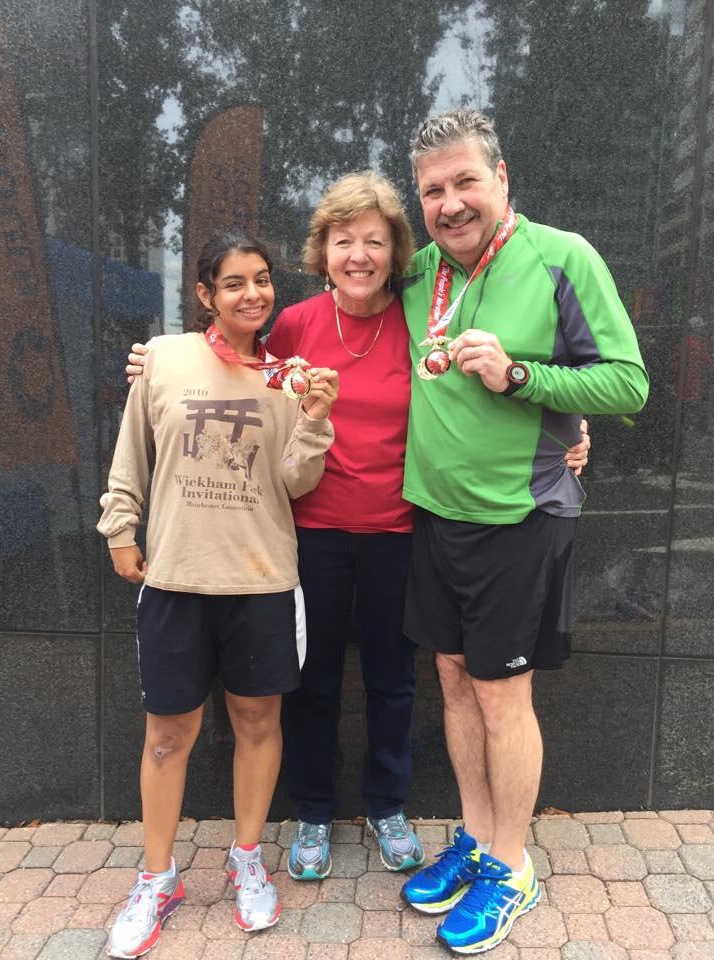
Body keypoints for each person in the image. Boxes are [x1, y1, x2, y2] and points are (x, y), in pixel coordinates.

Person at [125, 173, 590, 885]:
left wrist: (569, 430)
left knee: (392, 679)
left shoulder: (423, 318)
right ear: (324, 249)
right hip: (309, 531)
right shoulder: (295, 325)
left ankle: (387, 804)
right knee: (310, 680)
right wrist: (155, 359)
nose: (360, 254)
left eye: (375, 240)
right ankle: (313, 808)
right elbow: (230, 360)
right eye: (345, 240)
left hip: (400, 528)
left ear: (395, 249)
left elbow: (488, 390)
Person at [398, 109, 648, 955]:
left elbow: (628, 384)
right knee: (455, 678)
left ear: (502, 180)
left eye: (467, 180)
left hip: (520, 515)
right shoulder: (418, 270)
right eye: (433, 189)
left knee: (503, 695)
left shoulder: (561, 256)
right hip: (436, 513)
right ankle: (475, 838)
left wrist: (519, 377)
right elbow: (325, 304)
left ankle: (514, 866)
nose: (451, 201)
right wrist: (175, 355)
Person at [98, 233, 337, 958]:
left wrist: (318, 419)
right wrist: (120, 525)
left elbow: (296, 482)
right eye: (233, 283)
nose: (252, 295)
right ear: (206, 294)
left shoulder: (289, 377)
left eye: (263, 281)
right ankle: (157, 877)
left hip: (262, 579)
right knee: (168, 735)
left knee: (259, 725)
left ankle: (245, 861)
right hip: (176, 578)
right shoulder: (165, 358)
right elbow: (132, 450)